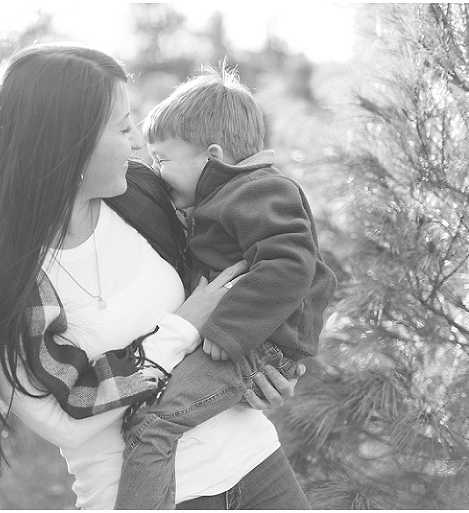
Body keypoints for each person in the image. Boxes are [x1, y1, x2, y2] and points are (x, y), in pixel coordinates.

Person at [0, 44, 303, 510]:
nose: (134, 145)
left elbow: (241, 280)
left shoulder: (144, 197)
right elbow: (64, 423)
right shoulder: (1, 286)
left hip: (257, 467)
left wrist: (264, 371)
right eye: (123, 128)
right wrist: (179, 330)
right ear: (69, 147)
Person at [111, 69, 338, 509]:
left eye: (164, 160)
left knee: (153, 428)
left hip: (253, 347)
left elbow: (291, 263)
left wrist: (228, 330)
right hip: (246, 347)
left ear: (212, 156)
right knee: (150, 426)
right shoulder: (223, 197)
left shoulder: (260, 189)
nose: (156, 172)